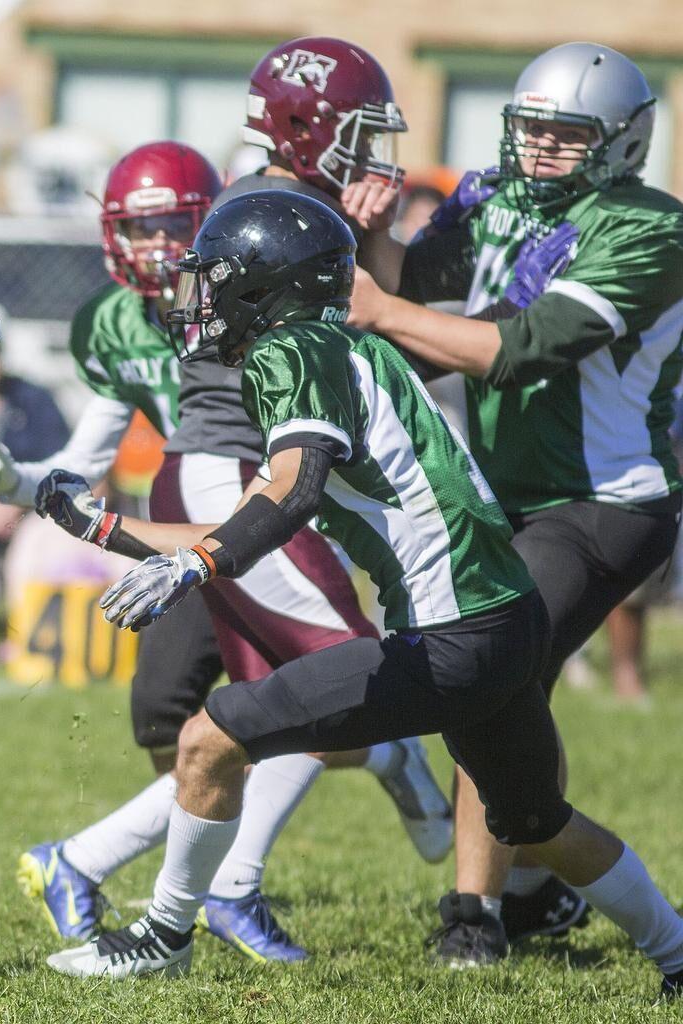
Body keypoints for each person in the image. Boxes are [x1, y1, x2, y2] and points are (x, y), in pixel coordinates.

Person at [38, 189, 683, 1003]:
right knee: (533, 821)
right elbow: (255, 511)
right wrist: (109, 532)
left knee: (209, 739)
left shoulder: (290, 352)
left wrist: (196, 565)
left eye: (216, 279)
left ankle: (162, 936)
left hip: (452, 633)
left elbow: (293, 488)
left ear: (265, 287)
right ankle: (679, 953)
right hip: (506, 616)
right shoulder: (353, 348)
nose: (198, 298)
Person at [0, 128, 451, 964]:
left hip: (237, 487)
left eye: (182, 230)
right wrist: (15, 481)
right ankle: (191, 879)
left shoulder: (255, 264)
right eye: (144, 229)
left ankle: (120, 868)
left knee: (291, 710)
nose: (167, 251)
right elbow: (92, 452)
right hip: (226, 485)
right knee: (318, 693)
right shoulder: (137, 313)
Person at [348, 43, 683, 965]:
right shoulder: (490, 198)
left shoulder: (648, 226)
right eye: (530, 129)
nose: (539, 150)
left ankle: (477, 911)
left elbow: (521, 348)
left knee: (489, 669)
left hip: (605, 500)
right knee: (504, 681)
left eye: (565, 136)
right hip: (509, 495)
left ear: (620, 144)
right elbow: (420, 305)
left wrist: (373, 305)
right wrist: (376, 245)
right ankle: (535, 888)